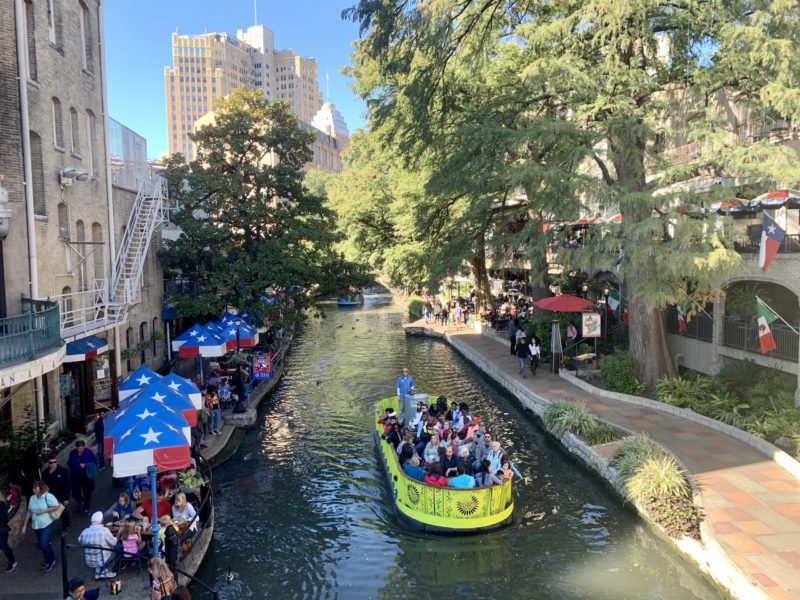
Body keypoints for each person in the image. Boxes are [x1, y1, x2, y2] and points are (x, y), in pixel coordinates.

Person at [21, 480, 60, 572]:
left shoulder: (48, 496)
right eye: (33, 487)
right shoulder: (32, 498)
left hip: (47, 524)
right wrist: (25, 525)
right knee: (43, 544)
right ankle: (48, 560)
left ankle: (51, 561)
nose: (33, 489)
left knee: (43, 543)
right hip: (36, 525)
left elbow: (56, 506)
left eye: (35, 487)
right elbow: (29, 511)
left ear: (41, 488)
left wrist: (43, 511)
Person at [77, 511, 118, 579]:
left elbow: (80, 541)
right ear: (101, 520)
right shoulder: (104, 530)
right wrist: (118, 534)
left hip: (89, 561)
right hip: (101, 560)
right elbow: (114, 542)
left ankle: (97, 572)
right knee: (117, 551)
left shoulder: (85, 531)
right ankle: (105, 571)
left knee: (97, 550)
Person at [67, 440, 97, 516]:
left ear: (84, 446)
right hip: (75, 477)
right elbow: (69, 463)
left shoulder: (89, 452)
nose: (79, 450)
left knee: (87, 493)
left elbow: (95, 462)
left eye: (81, 448)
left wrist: (86, 465)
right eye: (78, 448)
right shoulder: (72, 453)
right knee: (74, 493)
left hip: (86, 476)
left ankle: (86, 508)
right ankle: (80, 501)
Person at [42, 457, 71, 531]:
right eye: (51, 463)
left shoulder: (63, 471)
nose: (53, 464)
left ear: (57, 462)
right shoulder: (45, 473)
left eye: (54, 462)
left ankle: (66, 526)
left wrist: (66, 498)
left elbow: (67, 485)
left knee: (63, 512)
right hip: (50, 497)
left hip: (61, 496)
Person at [0, 488, 17, 572]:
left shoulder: (2, 504)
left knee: (4, 546)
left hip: (2, 530)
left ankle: (12, 561)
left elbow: (5, 518)